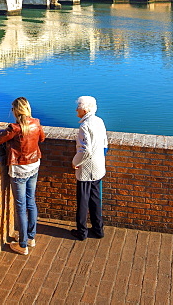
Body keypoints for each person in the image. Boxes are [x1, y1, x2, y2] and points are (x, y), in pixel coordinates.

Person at [0, 97, 45, 255]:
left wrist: (3, 131)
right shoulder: (36, 123)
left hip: (19, 169)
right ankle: (31, 238)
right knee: (31, 202)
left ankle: (22, 244)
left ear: (15, 110)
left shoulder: (14, 128)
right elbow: (42, 138)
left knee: (20, 207)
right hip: (34, 165)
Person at [71, 95, 108, 241]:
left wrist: (75, 162)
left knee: (82, 201)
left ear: (85, 109)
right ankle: (98, 229)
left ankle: (82, 232)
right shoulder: (99, 121)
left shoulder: (84, 126)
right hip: (99, 166)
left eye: (78, 107)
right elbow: (105, 144)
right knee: (95, 199)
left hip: (87, 169)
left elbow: (85, 150)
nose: (76, 110)